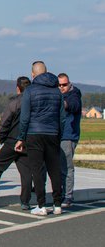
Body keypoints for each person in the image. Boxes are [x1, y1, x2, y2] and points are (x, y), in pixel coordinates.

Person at [15, 61, 64, 216]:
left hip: (34, 133)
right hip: (53, 133)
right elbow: (62, 117)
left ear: (33, 74)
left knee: (37, 169)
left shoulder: (30, 90)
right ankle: (57, 204)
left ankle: (41, 205)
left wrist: (21, 137)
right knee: (54, 169)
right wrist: (58, 134)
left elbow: (25, 117)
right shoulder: (57, 91)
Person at [0, 76, 33, 210]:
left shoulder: (15, 103)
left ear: (18, 88)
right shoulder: (34, 102)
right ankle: (25, 201)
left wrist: (2, 138)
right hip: (27, 142)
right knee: (26, 172)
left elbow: (4, 122)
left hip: (11, 140)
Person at [58, 72, 82, 208]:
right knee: (56, 166)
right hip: (57, 135)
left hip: (68, 135)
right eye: (59, 85)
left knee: (66, 166)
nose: (62, 87)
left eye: (64, 85)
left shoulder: (74, 94)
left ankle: (67, 196)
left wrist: (63, 104)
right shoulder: (57, 94)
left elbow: (74, 105)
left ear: (69, 84)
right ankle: (61, 192)